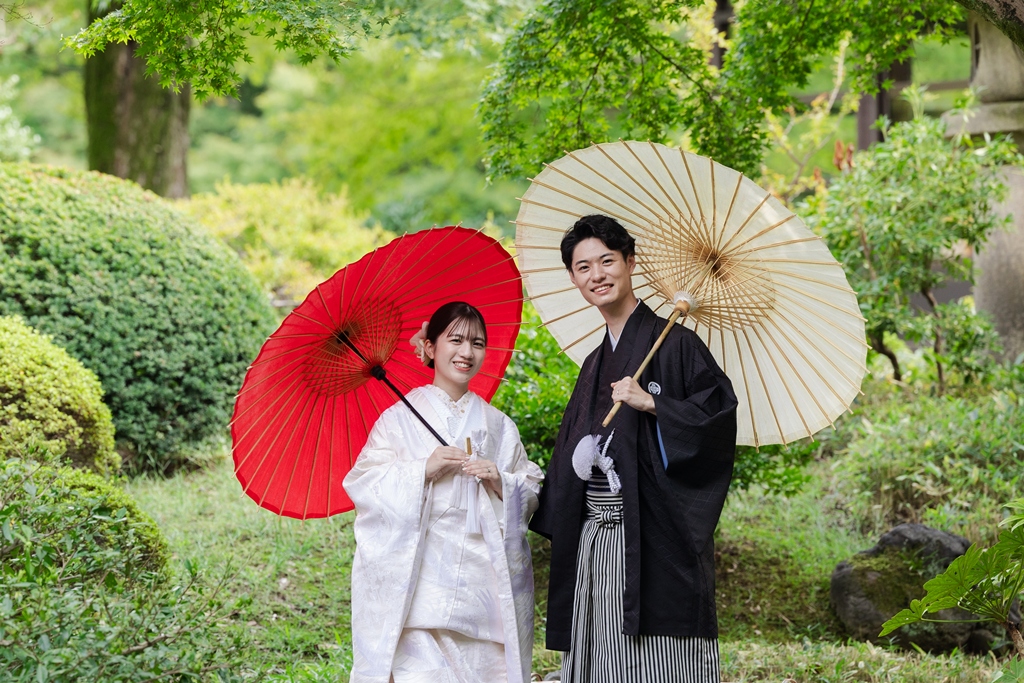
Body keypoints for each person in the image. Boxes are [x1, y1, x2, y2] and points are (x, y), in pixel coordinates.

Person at [530, 215, 739, 682]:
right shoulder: (593, 363)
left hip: (656, 536)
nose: (597, 275)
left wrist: (655, 404)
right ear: (573, 279)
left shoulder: (680, 345)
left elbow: (718, 424)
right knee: (600, 657)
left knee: (658, 661)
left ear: (631, 263)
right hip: (596, 540)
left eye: (607, 261)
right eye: (583, 267)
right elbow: (572, 455)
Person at [344, 301, 543, 683]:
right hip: (418, 592)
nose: (467, 352)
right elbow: (364, 482)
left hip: (483, 592)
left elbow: (531, 485)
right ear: (430, 347)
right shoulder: (398, 420)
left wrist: (500, 480)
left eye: (477, 343)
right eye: (455, 340)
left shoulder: (498, 425)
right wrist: (422, 470)